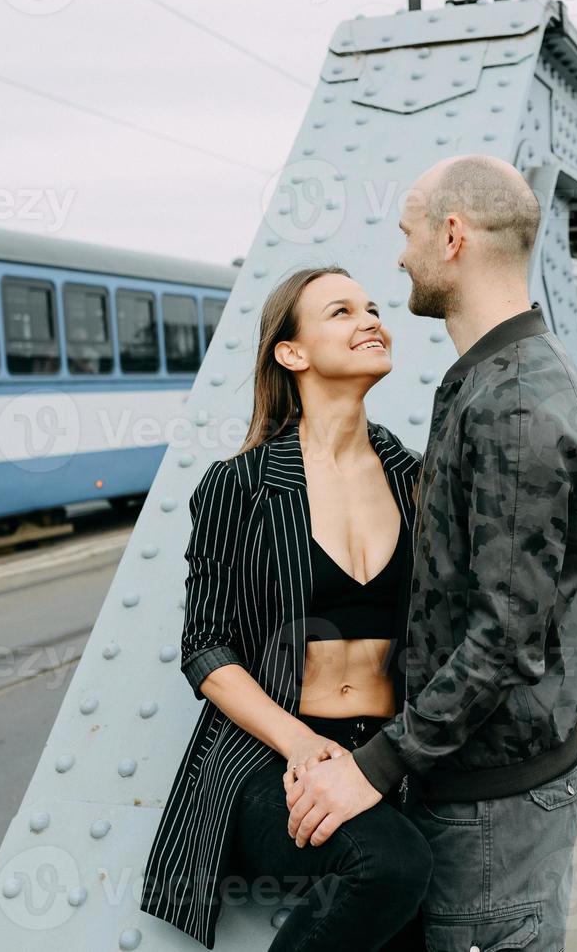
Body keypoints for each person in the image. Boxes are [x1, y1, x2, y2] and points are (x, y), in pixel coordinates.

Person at [284, 155, 577, 952]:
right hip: (477, 788)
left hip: (494, 809)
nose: (400, 256)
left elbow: (503, 639)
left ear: (452, 236)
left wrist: (372, 767)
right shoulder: (488, 380)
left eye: (408, 233)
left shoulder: (514, 403)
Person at [140, 265, 432, 951]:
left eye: (372, 307)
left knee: (411, 929)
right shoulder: (238, 485)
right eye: (341, 312)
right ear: (291, 353)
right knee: (390, 864)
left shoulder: (418, 479)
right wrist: (301, 745)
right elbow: (206, 648)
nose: (370, 321)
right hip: (272, 755)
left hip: (385, 751)